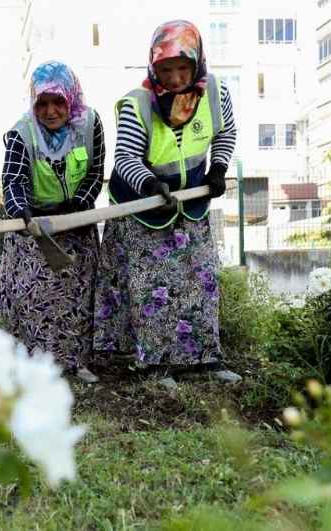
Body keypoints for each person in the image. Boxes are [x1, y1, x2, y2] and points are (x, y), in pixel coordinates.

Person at [93, 20, 241, 385]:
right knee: (151, 287)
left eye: (182, 68)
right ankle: (155, 365)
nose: (175, 78)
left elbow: (226, 132)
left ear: (197, 64)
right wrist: (149, 187)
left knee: (202, 278)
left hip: (191, 203)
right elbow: (125, 158)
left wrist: (218, 167)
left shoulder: (215, 93)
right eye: (166, 69)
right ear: (153, 67)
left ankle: (204, 359)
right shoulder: (137, 104)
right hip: (142, 208)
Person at [0, 61, 105, 383]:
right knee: (36, 299)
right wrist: (22, 211)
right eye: (42, 103)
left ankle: (78, 363)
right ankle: (35, 369)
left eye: (58, 102)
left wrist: (80, 203)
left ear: (71, 99)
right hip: (33, 230)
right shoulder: (21, 133)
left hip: (76, 224)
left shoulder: (89, 124)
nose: (51, 111)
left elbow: (96, 171)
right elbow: (13, 182)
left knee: (78, 298)